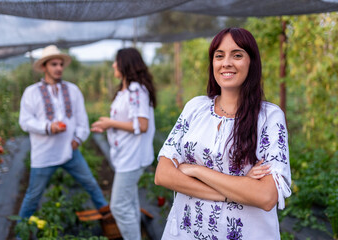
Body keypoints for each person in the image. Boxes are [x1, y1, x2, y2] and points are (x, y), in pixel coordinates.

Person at [154, 27, 292, 240]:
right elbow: (163, 174)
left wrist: (195, 170)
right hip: (186, 233)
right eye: (219, 56)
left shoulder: (269, 117)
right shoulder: (195, 108)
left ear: (251, 62)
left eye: (237, 55)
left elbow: (265, 196)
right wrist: (238, 190)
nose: (226, 62)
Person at [18, 45, 108, 219]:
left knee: (91, 184)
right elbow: (25, 121)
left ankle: (110, 221)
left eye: (60, 64)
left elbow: (82, 121)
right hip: (44, 155)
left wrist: (78, 139)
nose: (59, 68)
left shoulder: (72, 90)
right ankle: (21, 233)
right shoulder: (32, 92)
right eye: (54, 64)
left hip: (69, 151)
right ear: (44, 67)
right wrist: (48, 127)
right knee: (33, 196)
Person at [91, 48, 156, 240]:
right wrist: (108, 125)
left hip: (132, 158)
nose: (113, 65)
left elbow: (142, 125)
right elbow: (130, 121)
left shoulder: (136, 90)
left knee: (118, 206)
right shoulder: (126, 91)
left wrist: (110, 123)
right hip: (127, 155)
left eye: (116, 61)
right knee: (129, 203)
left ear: (126, 64)